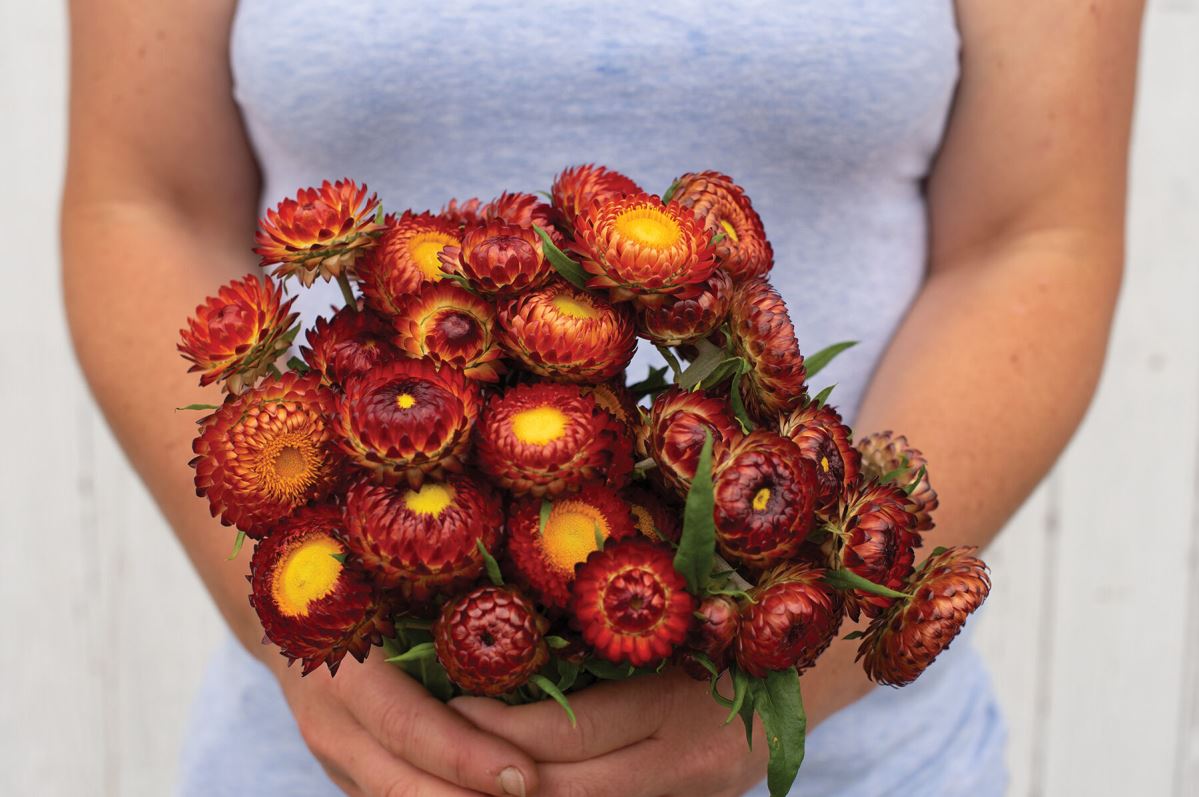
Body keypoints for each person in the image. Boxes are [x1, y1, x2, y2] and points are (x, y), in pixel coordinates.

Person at [61, 1, 1144, 795]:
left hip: (861, 761)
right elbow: (143, 201)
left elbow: (1033, 234)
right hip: (330, 757)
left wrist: (784, 680)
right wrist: (296, 645)